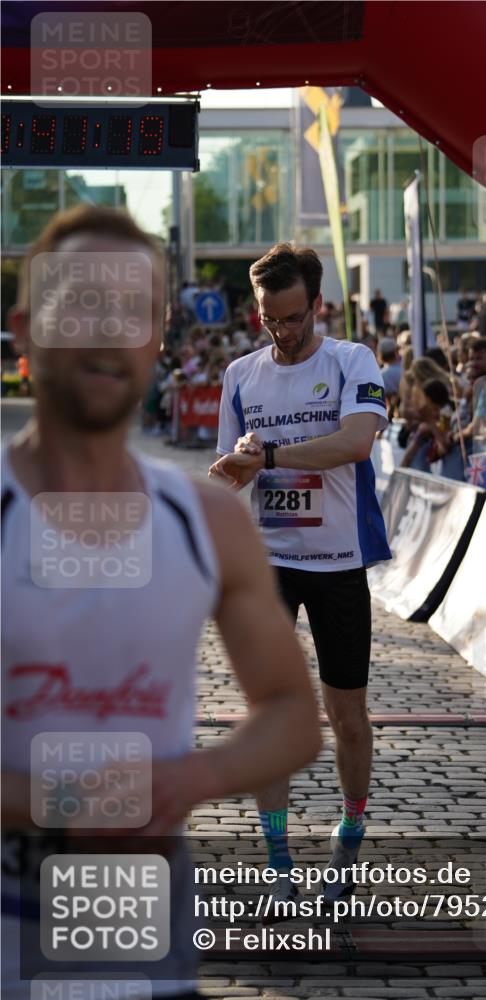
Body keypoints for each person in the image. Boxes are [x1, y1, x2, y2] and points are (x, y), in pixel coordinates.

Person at [2, 206, 321, 999]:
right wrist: (68, 801)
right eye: (80, 303)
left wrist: (185, 782)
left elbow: (290, 715)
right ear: (24, 331)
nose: (108, 330)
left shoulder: (207, 520)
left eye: (133, 311)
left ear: (157, 339)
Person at [208, 242, 391, 910]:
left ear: (315, 305)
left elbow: (354, 443)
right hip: (270, 567)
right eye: (267, 318)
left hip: (338, 564)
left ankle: (348, 833)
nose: (280, 331)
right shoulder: (240, 374)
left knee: (347, 715)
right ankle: (279, 860)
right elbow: (228, 474)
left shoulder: (351, 360)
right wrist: (228, 474)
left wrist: (273, 455)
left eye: (290, 317)